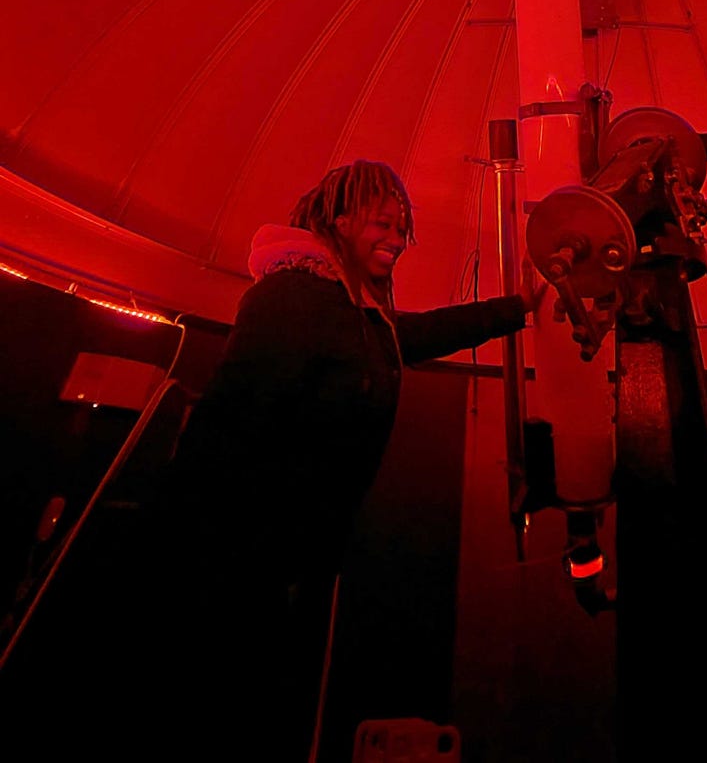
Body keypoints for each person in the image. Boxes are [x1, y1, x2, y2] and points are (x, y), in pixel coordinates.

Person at [6, 160, 540, 763]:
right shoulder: (293, 293)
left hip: (281, 560)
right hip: (236, 563)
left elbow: (411, 335)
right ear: (339, 219)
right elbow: (231, 418)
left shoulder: (350, 315)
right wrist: (216, 559)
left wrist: (517, 307)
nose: (397, 238)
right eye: (384, 223)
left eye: (403, 229)